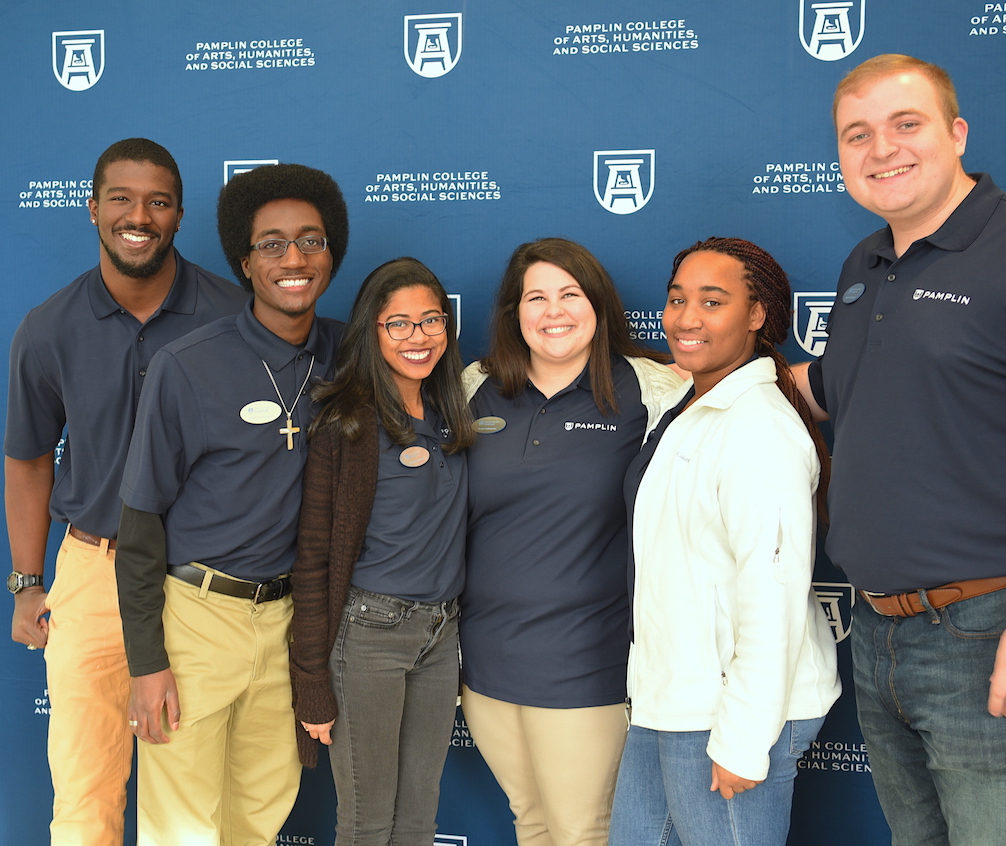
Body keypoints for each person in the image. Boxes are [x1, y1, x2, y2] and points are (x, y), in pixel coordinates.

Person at [791, 54, 1006, 845]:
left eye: (905, 125)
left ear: (955, 132)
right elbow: (831, 387)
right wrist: (695, 375)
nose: (881, 150)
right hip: (881, 639)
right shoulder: (863, 267)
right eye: (857, 134)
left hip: (1003, 627)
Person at [4, 138, 247, 844]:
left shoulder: (233, 316)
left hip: (198, 575)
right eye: (122, 199)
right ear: (93, 209)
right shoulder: (48, 328)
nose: (138, 215)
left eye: (158, 202)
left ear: (177, 216)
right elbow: (26, 459)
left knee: (192, 799)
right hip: (95, 570)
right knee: (84, 793)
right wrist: (26, 582)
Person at [114, 163, 348, 846]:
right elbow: (139, 524)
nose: (294, 258)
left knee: (261, 810)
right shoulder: (186, 365)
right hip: (195, 620)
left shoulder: (348, 355)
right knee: (181, 826)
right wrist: (146, 663)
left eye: (311, 240)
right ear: (244, 263)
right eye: (271, 244)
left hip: (289, 625)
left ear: (331, 253)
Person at [609, 237, 840, 846]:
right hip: (667, 701)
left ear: (757, 314)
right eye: (678, 299)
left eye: (713, 302)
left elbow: (774, 596)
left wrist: (742, 740)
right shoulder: (693, 405)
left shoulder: (758, 427)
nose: (686, 318)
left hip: (727, 714)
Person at [459, 237, 682, 846]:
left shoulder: (650, 388)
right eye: (536, 297)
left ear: (599, 305)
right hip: (485, 669)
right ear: (514, 313)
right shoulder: (474, 386)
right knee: (531, 824)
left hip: (587, 665)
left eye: (569, 294)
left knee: (584, 832)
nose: (553, 311)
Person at [289, 257, 475, 845]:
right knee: (367, 823)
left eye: (430, 321)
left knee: (418, 820)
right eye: (398, 324)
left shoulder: (453, 412)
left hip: (440, 637)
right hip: (369, 635)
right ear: (372, 332)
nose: (418, 337)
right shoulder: (348, 423)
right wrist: (312, 681)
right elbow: (315, 558)